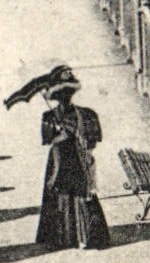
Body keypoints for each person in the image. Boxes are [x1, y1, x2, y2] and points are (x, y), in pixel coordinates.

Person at [34, 68, 110, 251]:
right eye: (60, 95)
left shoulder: (86, 114)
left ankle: (86, 235)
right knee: (59, 193)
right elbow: (46, 139)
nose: (64, 98)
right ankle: (61, 238)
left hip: (78, 156)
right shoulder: (49, 116)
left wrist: (81, 142)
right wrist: (58, 132)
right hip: (59, 159)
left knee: (83, 193)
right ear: (54, 97)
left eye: (67, 93)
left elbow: (94, 140)